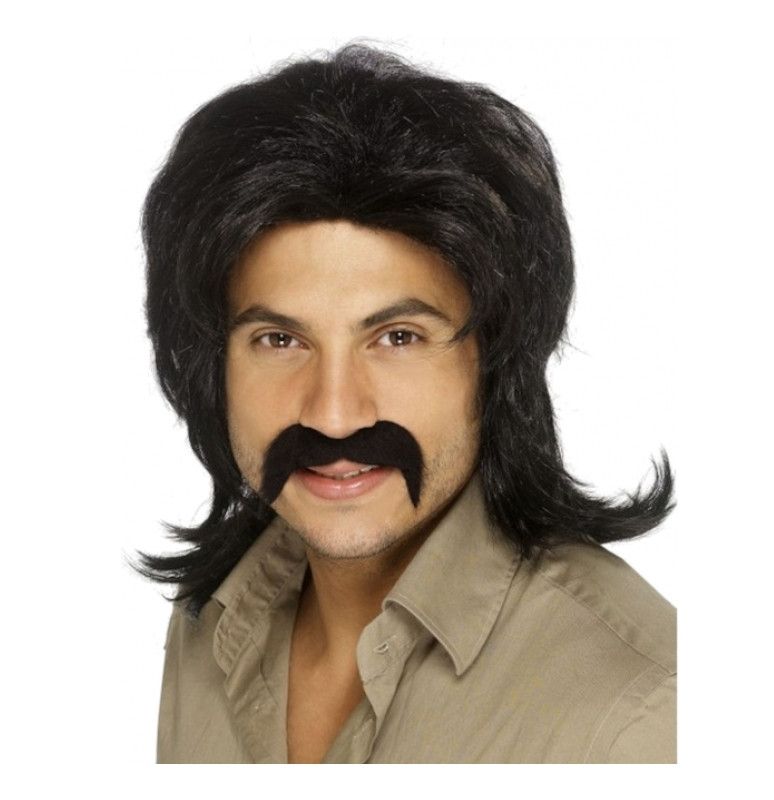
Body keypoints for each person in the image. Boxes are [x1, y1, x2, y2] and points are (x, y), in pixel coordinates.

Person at [137, 43, 676, 763]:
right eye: (279, 339)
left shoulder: (638, 714)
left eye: (397, 337)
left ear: (495, 363)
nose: (334, 414)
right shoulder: (209, 621)